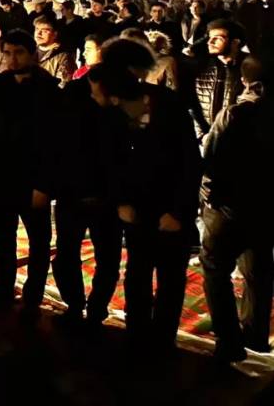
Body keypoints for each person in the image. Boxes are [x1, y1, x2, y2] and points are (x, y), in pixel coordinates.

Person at [91, 53, 201, 354]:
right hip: (135, 208)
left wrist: (178, 211)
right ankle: (137, 333)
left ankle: (164, 338)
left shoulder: (169, 106)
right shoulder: (112, 115)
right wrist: (121, 201)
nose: (97, 99)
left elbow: (189, 162)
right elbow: (110, 161)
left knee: (170, 276)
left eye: (100, 94)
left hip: (169, 206)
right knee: (137, 272)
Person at [200, 57, 272, 364]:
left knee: (215, 266)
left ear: (249, 84)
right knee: (258, 268)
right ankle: (255, 333)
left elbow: (211, 157)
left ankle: (229, 341)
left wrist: (208, 194)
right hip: (266, 205)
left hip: (231, 206)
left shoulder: (235, 114)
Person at [0, 29, 58, 308]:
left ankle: (32, 296)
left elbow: (53, 142)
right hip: (1, 175)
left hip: (32, 176)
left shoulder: (48, 90)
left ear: (32, 54)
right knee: (2, 236)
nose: (12, 59)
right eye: (7, 53)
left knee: (38, 241)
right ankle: (4, 288)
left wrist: (44, 184)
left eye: (18, 53)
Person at [51, 54, 125, 328]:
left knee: (108, 257)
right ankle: (74, 303)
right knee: (66, 253)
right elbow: (57, 145)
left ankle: (97, 308)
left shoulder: (123, 106)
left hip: (108, 195)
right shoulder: (70, 102)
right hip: (72, 190)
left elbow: (125, 154)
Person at [191, 18, 248, 137]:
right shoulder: (202, 67)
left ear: (235, 42)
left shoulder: (249, 69)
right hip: (208, 142)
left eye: (218, 38)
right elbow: (194, 106)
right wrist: (202, 136)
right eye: (210, 38)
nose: (210, 42)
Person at [34, 14, 76, 86]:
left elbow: (63, 87)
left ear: (54, 34)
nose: (39, 33)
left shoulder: (63, 57)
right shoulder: (28, 51)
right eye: (37, 29)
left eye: (44, 30)